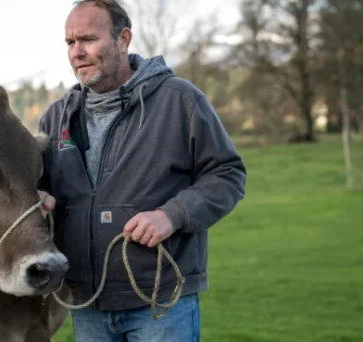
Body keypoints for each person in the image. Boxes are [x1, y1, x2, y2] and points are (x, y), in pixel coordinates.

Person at [36, 0, 247, 341]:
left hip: (160, 304)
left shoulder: (179, 101)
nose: (77, 52)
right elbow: (36, 191)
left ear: (123, 39)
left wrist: (172, 214)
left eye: (88, 39)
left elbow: (228, 174)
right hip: (88, 304)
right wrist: (39, 200)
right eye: (70, 43)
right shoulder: (56, 117)